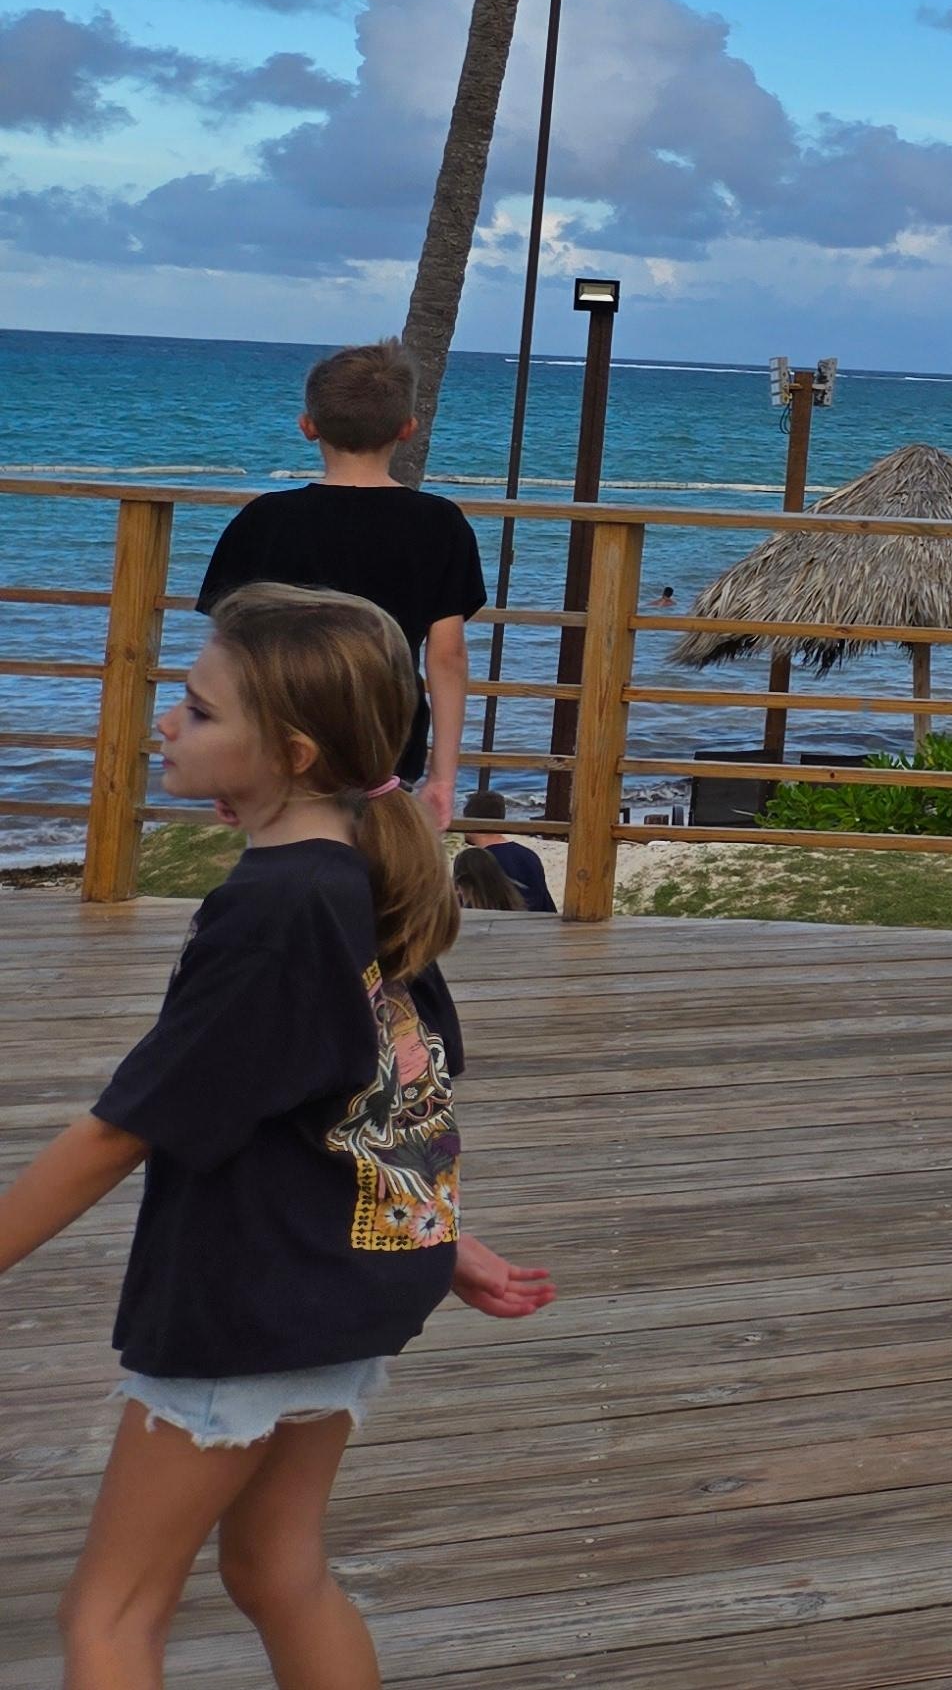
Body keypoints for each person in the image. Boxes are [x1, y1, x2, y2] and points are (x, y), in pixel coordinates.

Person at [0, 584, 554, 1685]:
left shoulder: (276, 910)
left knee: (110, 1614)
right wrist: (440, 1245)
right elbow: (388, 1085)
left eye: (200, 712)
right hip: (345, 1281)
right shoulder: (360, 869)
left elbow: (126, 1130)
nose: (167, 722)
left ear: (292, 752)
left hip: (252, 1297)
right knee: (274, 1567)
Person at [196, 342, 489, 829]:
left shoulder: (264, 519)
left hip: (280, 728)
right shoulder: (440, 523)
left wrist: (226, 761)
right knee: (372, 851)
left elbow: (230, 653)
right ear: (406, 429)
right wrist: (444, 774)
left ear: (308, 427)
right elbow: (447, 655)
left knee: (284, 853)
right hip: (389, 728)